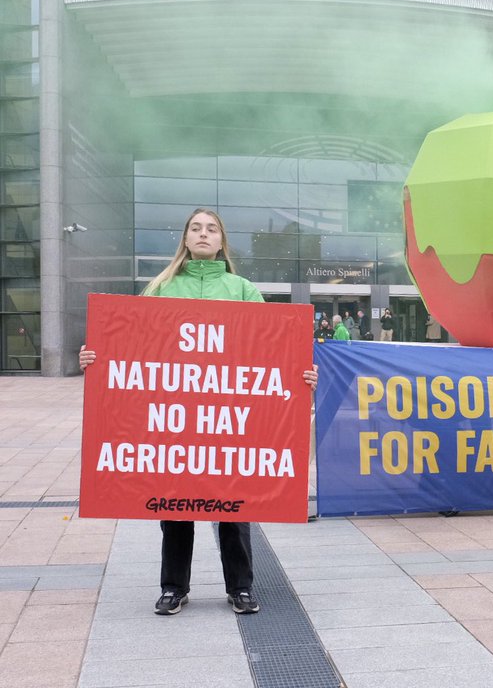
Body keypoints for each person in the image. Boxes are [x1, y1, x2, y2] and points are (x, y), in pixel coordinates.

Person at [78, 208, 317, 616]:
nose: (203, 234)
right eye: (196, 228)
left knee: (235, 504)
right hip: (175, 416)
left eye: (211, 229)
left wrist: (301, 375)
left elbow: (272, 351)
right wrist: (95, 359)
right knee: (174, 503)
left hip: (229, 415)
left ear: (222, 241)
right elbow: (131, 347)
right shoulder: (161, 287)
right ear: (185, 239)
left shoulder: (242, 289)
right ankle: (174, 587)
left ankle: (240, 587)